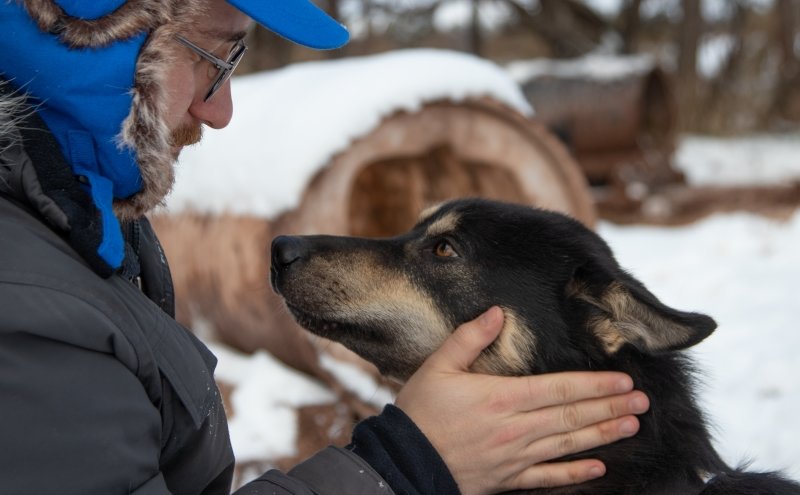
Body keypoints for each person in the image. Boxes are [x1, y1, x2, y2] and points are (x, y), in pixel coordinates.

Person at [0, 1, 650, 494]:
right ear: (98, 37)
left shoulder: (74, 223)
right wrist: (400, 465)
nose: (221, 109)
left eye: (233, 65)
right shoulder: (26, 303)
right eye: (213, 55)